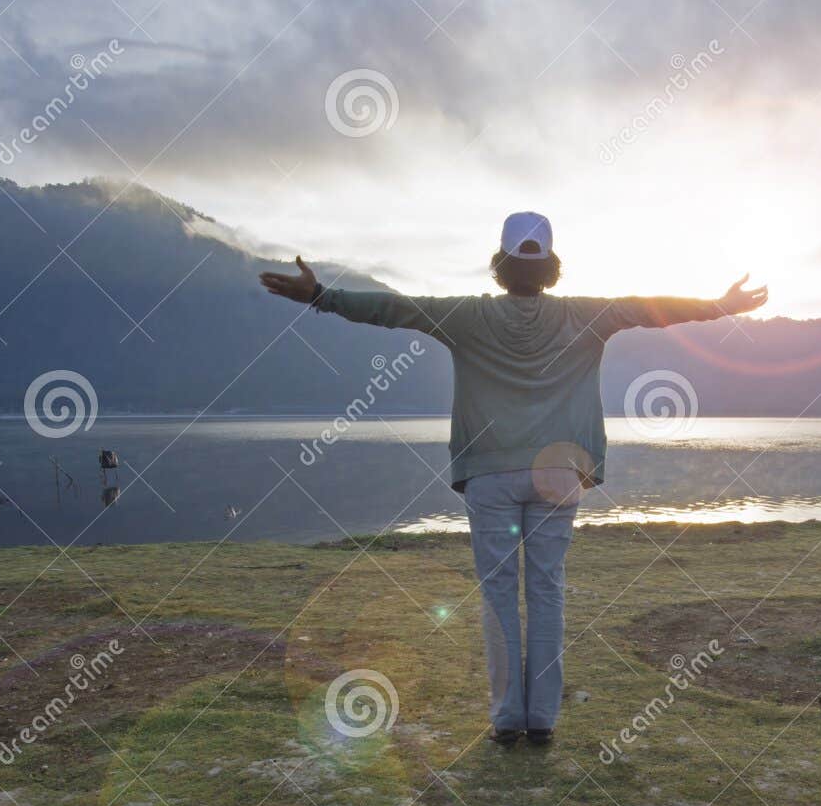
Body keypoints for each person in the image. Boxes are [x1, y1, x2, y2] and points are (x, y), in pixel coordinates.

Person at [261, 212, 766, 747]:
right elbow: (653, 310)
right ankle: (542, 720)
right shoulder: (587, 315)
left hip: (490, 473)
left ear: (500, 265)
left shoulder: (467, 317)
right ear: (550, 266)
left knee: (500, 596)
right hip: (559, 472)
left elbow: (395, 310)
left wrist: (321, 296)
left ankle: (506, 718)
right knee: (546, 592)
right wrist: (721, 306)